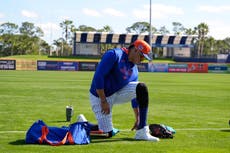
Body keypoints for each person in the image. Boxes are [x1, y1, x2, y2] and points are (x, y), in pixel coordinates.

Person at [89, 39, 159, 141]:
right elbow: (98, 77)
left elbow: (136, 95)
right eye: (141, 56)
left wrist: (138, 117)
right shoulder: (114, 54)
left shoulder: (134, 70)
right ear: (135, 50)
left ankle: (142, 131)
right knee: (106, 133)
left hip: (117, 93)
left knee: (141, 88)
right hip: (100, 95)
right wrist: (103, 101)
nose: (142, 60)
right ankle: (83, 124)